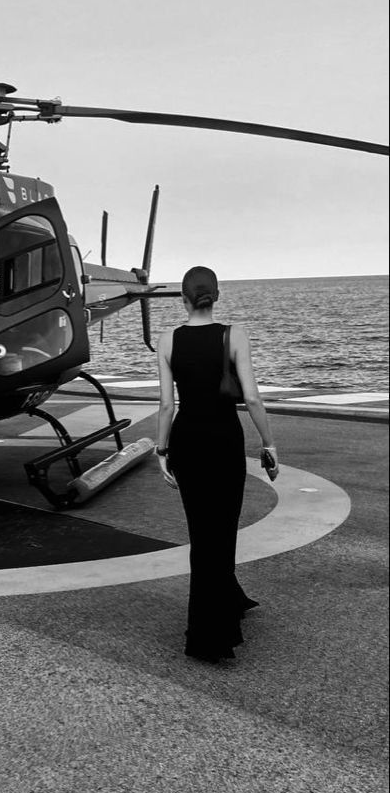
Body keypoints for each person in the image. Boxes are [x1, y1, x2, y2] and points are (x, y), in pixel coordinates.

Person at [156, 265, 279, 663]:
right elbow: (254, 399)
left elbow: (165, 405)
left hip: (187, 441)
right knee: (222, 531)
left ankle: (229, 600)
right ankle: (211, 636)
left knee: (202, 533)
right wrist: (268, 442)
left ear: (183, 298)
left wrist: (161, 450)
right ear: (217, 296)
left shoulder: (167, 340)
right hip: (224, 440)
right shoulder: (235, 335)